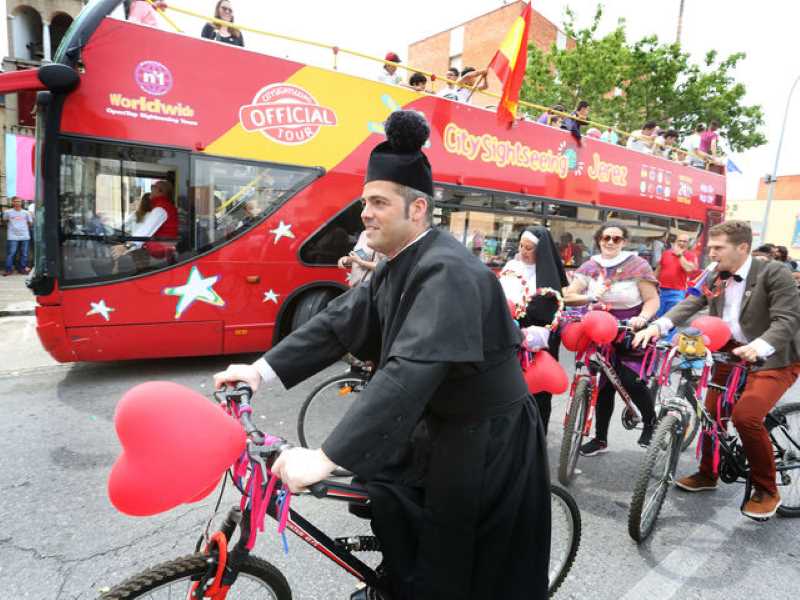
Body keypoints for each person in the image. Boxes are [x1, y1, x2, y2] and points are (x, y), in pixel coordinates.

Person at [213, 110, 551, 600]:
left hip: (484, 441)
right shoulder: (399, 263)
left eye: (377, 202)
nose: (364, 213)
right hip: (440, 427)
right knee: (401, 529)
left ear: (417, 210)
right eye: (364, 201)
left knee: (459, 568)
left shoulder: (448, 271)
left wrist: (325, 458)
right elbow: (335, 323)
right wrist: (259, 371)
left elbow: (409, 371)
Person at [634, 220, 800, 520]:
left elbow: (787, 320)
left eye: (717, 247)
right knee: (709, 413)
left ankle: (766, 489)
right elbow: (691, 303)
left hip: (774, 357)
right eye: (710, 246)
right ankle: (707, 473)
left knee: (746, 417)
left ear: (742, 247)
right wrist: (658, 326)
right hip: (729, 353)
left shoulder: (774, 273)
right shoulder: (714, 273)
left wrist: (759, 346)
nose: (710, 252)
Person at [562, 222, 660, 452]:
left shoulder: (638, 265)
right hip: (597, 325)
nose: (610, 242)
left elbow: (652, 300)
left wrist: (642, 319)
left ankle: (650, 421)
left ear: (624, 242)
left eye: (616, 239)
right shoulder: (590, 265)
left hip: (629, 325)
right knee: (602, 384)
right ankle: (600, 439)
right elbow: (569, 296)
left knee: (628, 379)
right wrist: (588, 298)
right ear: (598, 240)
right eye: (606, 238)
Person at [502, 227, 569, 433]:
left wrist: (520, 317)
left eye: (529, 248)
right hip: (506, 333)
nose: (523, 251)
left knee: (537, 394)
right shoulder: (512, 265)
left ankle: (535, 436)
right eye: (521, 246)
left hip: (536, 338)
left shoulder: (548, 276)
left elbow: (547, 311)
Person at [111, 180, 178, 266]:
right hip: (163, 252)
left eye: (153, 187)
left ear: (160, 191)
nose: (151, 190)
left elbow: (144, 232)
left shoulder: (161, 209)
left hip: (158, 255)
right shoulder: (166, 207)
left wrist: (126, 247)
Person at [655, 232, 698, 317]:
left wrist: (680, 256)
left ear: (688, 244)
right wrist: (652, 284)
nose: (681, 243)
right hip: (660, 290)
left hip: (677, 292)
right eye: (680, 240)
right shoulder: (666, 253)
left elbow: (689, 269)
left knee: (671, 318)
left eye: (685, 241)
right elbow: (658, 270)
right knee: (656, 316)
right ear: (675, 242)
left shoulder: (691, 255)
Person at [3, 197, 33, 276]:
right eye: (15, 201)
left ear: (21, 203)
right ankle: (8, 269)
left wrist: (22, 228)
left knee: (24, 253)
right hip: (12, 236)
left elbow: (30, 223)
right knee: (11, 253)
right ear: (12, 202)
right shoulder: (7, 212)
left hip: (24, 236)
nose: (17, 203)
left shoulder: (26, 212)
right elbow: (5, 221)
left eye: (19, 201)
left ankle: (22, 269)